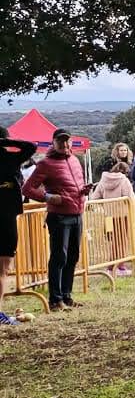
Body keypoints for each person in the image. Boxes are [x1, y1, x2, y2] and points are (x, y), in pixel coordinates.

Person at [22, 125, 86, 309]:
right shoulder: (45, 164)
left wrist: (83, 190)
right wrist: (49, 197)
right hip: (59, 216)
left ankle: (66, 296)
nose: (64, 144)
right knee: (59, 257)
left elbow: (74, 185)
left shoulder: (75, 160)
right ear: (54, 143)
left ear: (71, 141)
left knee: (73, 256)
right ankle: (55, 299)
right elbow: (27, 188)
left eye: (67, 140)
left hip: (77, 213)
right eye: (60, 141)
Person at [0, 127, 36, 322]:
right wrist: (6, 143)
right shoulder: (11, 159)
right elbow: (31, 147)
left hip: (7, 216)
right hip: (5, 219)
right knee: (2, 270)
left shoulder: (10, 159)